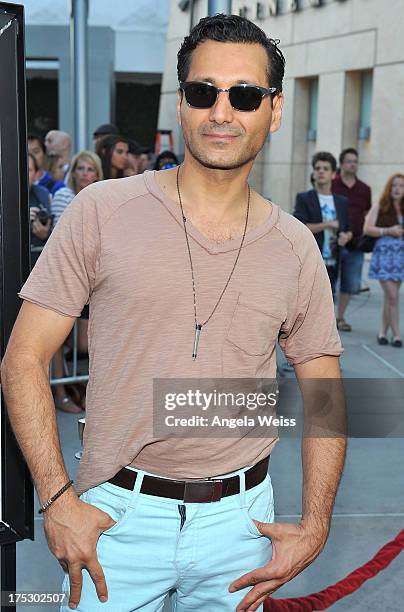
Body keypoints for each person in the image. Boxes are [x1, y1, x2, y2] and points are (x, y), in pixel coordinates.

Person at [2, 14, 346, 612]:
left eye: (244, 95)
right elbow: (24, 358)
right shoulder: (100, 211)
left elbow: (323, 389)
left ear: (275, 110)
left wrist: (315, 526)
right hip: (113, 519)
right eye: (202, 92)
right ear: (181, 104)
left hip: (243, 531)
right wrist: (57, 501)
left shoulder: (295, 246)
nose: (222, 112)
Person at [50, 150, 104, 414]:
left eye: (90, 169)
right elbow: (65, 238)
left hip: (95, 279)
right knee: (58, 337)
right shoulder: (64, 196)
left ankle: (82, 388)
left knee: (85, 342)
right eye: (80, 168)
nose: (85, 174)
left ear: (97, 173)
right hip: (66, 275)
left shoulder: (105, 196)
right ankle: (61, 392)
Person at [294, 151, 352, 299]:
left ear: (333, 174)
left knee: (329, 299)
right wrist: (327, 224)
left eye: (325, 169)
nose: (321, 171)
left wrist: (345, 236)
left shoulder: (341, 201)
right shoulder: (304, 198)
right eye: (317, 168)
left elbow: (348, 228)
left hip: (334, 259)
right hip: (311, 259)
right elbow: (300, 228)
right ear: (313, 173)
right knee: (308, 300)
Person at [332, 148, 372, 331]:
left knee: (350, 283)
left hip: (356, 244)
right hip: (333, 243)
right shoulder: (333, 185)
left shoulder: (365, 189)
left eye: (355, 161)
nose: (352, 164)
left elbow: (366, 213)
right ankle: (325, 319)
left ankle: (340, 317)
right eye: (349, 161)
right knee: (327, 283)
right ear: (341, 164)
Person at [364, 173, 404, 347]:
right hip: (384, 257)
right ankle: (396, 335)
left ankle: (382, 332)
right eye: (394, 185)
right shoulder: (380, 206)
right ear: (389, 187)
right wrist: (388, 231)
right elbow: (367, 229)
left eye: (401, 186)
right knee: (393, 297)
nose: (397, 189)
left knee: (390, 298)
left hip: (400, 258)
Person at [28, 153, 52, 268]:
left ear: (36, 174)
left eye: (28, 170)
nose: (23, 174)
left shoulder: (42, 194)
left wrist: (45, 234)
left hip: (38, 263)